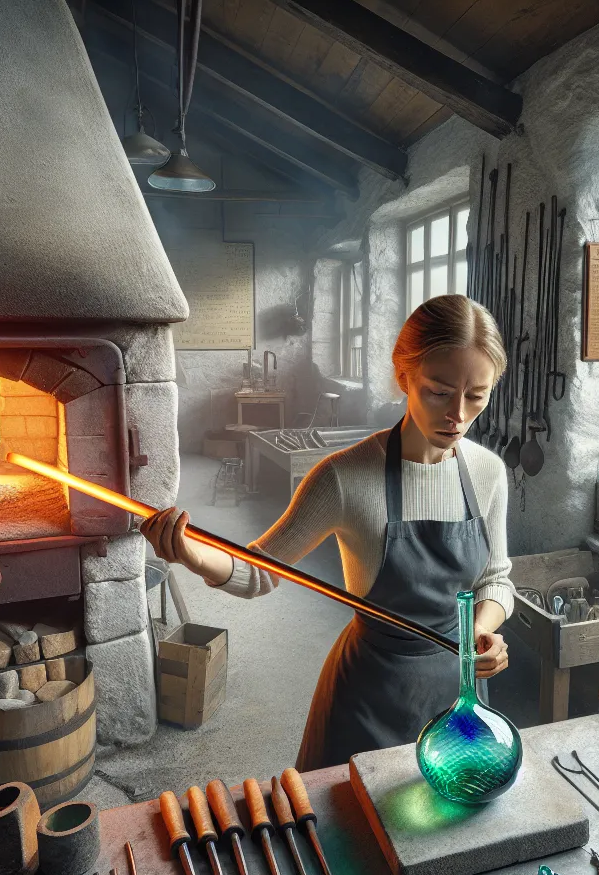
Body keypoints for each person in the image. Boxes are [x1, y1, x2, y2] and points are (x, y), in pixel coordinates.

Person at [141, 294, 514, 770]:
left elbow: (496, 579)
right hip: (369, 698)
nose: (457, 414)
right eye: (438, 391)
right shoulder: (344, 477)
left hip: (460, 698)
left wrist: (480, 633)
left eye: (476, 396)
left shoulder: (488, 472)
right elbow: (258, 570)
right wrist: (191, 554)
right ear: (404, 377)